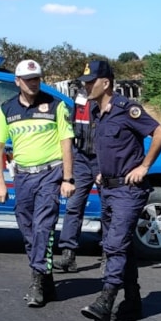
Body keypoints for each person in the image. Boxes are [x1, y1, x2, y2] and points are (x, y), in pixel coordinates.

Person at [77, 60, 161, 321]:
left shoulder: (127, 109)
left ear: (106, 83)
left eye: (90, 82)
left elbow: (160, 133)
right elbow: (103, 147)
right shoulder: (96, 111)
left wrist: (144, 166)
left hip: (129, 191)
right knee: (122, 246)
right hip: (107, 188)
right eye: (84, 82)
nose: (86, 86)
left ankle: (106, 300)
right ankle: (133, 301)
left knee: (114, 244)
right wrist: (100, 171)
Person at [0, 59, 75, 307]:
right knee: (27, 229)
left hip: (50, 174)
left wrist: (68, 178)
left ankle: (36, 280)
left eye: (37, 78)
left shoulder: (55, 106)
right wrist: (0, 183)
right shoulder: (7, 109)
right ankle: (46, 276)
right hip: (22, 176)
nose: (33, 83)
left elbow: (66, 143)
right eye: (28, 80)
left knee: (43, 228)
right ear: (17, 81)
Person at [53, 88, 96, 273]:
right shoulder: (79, 100)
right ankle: (68, 255)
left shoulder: (111, 102)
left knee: (110, 209)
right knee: (73, 206)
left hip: (103, 159)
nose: (88, 85)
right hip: (82, 158)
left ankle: (110, 258)